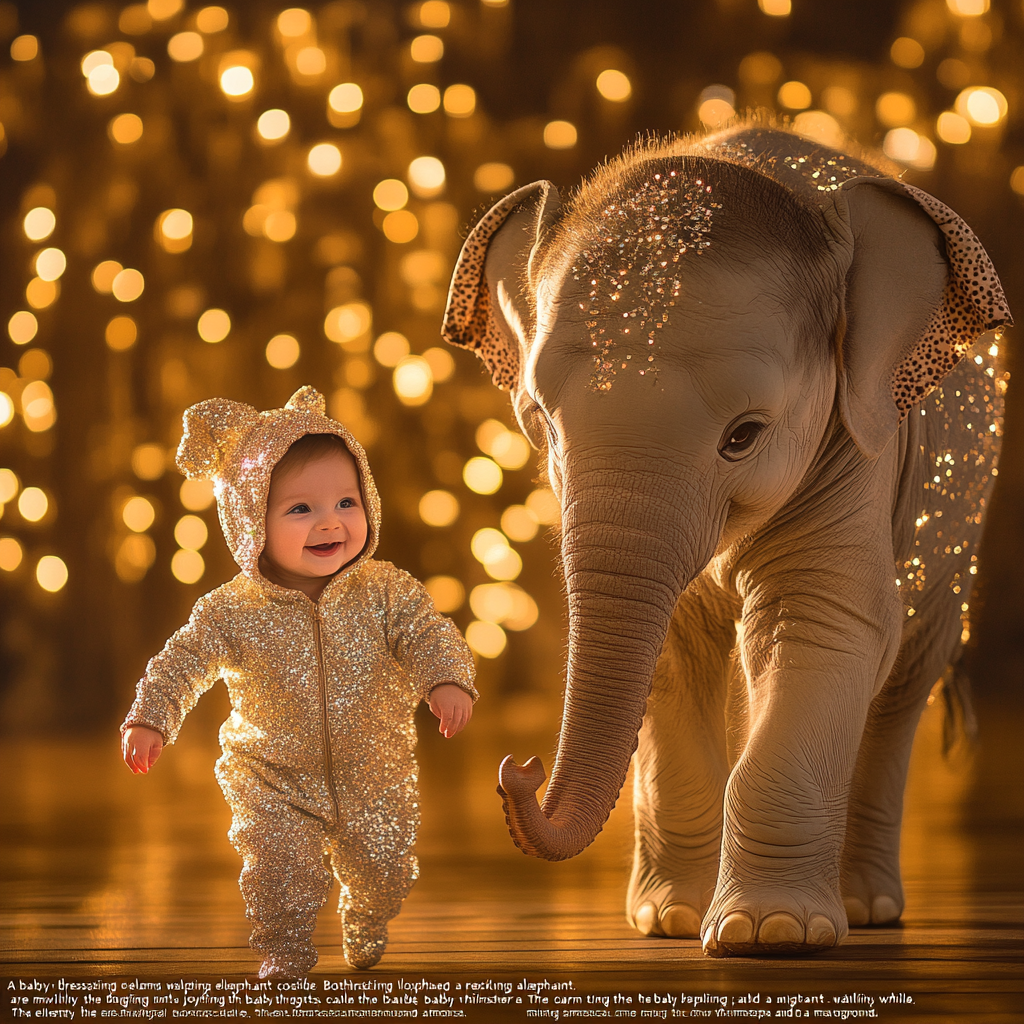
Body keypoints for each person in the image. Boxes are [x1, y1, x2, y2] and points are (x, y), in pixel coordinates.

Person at [120, 386, 476, 978]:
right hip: (271, 775)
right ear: (249, 520)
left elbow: (428, 633)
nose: (330, 522)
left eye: (345, 501)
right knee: (279, 869)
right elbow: (179, 662)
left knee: (384, 865)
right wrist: (151, 716)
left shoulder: (385, 591)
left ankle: (368, 912)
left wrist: (445, 680)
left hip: (374, 770)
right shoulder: (231, 611)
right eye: (299, 509)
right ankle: (284, 952)